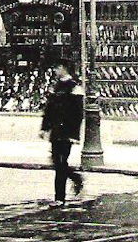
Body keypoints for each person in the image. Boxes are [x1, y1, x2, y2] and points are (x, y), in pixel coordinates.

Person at [39, 59, 84, 206]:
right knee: (57, 162)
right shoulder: (56, 87)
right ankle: (75, 178)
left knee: (61, 162)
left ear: (64, 68)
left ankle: (59, 198)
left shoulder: (75, 88)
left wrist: (74, 135)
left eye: (57, 68)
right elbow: (49, 110)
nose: (55, 71)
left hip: (67, 132)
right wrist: (44, 127)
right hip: (56, 131)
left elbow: (78, 114)